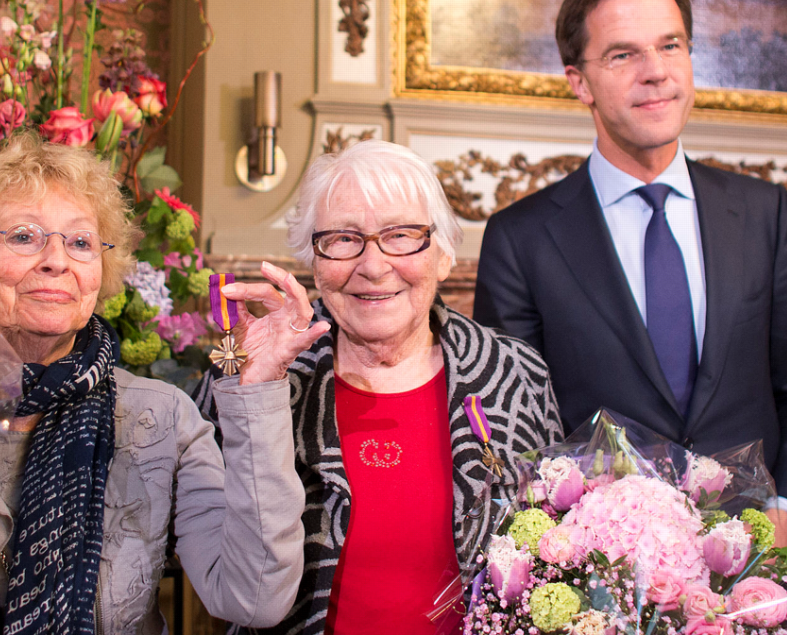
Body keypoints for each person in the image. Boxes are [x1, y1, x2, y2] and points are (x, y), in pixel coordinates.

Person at [0, 132, 308, 634]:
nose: (57, 260)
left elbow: (254, 599)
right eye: (23, 235)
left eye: (80, 242)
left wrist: (256, 390)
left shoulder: (162, 418)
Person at [473, 0, 787, 545]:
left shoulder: (765, 213)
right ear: (579, 82)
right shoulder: (519, 240)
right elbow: (515, 432)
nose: (655, 72)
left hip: (760, 559)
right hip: (604, 575)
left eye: (670, 45)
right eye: (623, 55)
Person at [193, 139, 563, 635]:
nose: (372, 265)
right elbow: (218, 576)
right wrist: (255, 387)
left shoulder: (515, 374)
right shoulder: (251, 380)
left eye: (402, 235)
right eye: (344, 239)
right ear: (314, 261)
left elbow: (556, 552)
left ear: (444, 256)